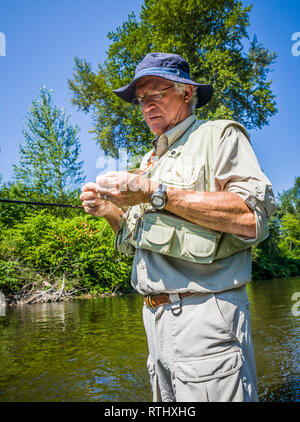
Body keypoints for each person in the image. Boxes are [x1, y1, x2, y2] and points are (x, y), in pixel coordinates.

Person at [80, 52, 276, 402]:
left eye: (157, 94)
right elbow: (133, 243)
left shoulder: (220, 135)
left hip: (206, 317)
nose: (147, 106)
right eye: (141, 100)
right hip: (153, 320)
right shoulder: (151, 160)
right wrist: (108, 210)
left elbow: (251, 217)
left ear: (187, 92)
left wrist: (154, 192)